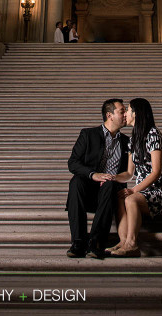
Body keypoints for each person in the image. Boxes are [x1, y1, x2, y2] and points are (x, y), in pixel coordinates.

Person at [108, 97, 162, 257]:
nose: (126, 114)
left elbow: (156, 171)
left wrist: (134, 190)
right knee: (119, 198)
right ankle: (123, 242)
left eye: (128, 110)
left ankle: (132, 243)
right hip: (143, 193)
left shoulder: (153, 134)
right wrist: (111, 177)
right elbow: (129, 174)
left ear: (136, 113)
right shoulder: (132, 140)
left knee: (130, 199)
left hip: (160, 192)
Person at [66, 98, 129, 259]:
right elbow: (73, 163)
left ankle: (96, 242)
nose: (126, 114)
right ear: (110, 115)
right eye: (122, 111)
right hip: (87, 191)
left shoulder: (127, 142)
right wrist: (93, 175)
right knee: (76, 182)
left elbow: (139, 166)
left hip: (111, 193)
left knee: (109, 184)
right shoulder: (88, 134)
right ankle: (78, 242)